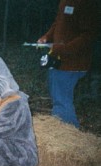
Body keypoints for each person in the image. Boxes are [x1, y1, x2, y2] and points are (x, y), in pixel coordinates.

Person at [37, 0, 98, 128]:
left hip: (73, 63)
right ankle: (61, 130)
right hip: (58, 60)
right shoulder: (64, 2)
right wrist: (46, 37)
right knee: (58, 98)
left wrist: (64, 49)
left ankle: (69, 134)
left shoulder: (86, 4)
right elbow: (58, 23)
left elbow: (89, 35)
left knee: (62, 100)